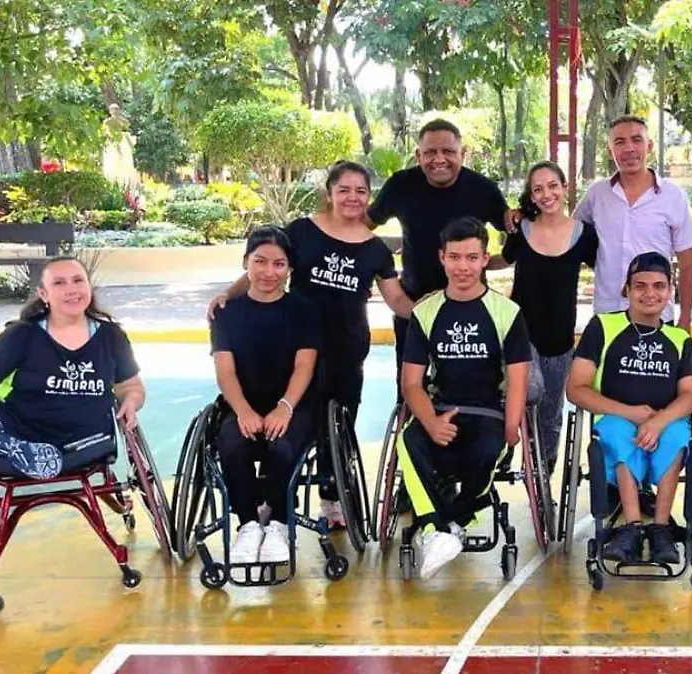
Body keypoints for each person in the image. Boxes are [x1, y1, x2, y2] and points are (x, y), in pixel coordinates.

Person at [208, 162, 413, 528]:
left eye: (361, 191)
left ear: (369, 197)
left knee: (337, 425)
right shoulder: (302, 230)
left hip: (344, 347)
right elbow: (266, 262)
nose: (352, 197)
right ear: (330, 192)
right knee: (284, 419)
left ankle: (331, 499)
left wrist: (436, 311)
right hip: (292, 342)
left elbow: (396, 300)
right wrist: (228, 294)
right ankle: (269, 496)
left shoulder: (375, 250)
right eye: (344, 189)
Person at [0, 257, 145, 482]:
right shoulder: (20, 335)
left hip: (87, 439)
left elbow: (131, 386)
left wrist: (131, 400)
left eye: (78, 280)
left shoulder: (111, 336)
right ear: (43, 294)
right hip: (23, 433)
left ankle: (44, 458)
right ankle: (23, 450)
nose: (71, 289)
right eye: (59, 283)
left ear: (89, 286)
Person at [397, 217, 531, 579]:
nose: (463, 267)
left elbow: (518, 378)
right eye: (455, 257)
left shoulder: (507, 312)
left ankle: (451, 522)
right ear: (442, 258)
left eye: (472, 258)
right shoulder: (425, 313)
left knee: (489, 449)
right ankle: (437, 528)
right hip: (441, 410)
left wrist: (512, 427)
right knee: (408, 441)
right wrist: (431, 422)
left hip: (488, 413)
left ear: (485, 259)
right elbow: (411, 384)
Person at [566, 252, 692, 564]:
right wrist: (631, 413)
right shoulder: (603, 326)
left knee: (677, 434)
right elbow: (576, 389)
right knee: (617, 431)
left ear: (670, 291)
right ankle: (631, 526)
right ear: (626, 289)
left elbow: (689, 396)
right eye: (640, 285)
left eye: (659, 286)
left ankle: (661, 528)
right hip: (616, 416)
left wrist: (657, 421)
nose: (650, 293)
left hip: (663, 421)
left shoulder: (679, 339)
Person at [367, 119, 511, 386]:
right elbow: (362, 228)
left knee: (471, 389)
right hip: (413, 305)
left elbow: (517, 234)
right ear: (418, 155)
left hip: (471, 307)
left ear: (463, 154)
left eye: (448, 151)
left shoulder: (483, 189)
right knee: (411, 389)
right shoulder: (400, 185)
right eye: (430, 152)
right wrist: (374, 267)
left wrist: (489, 263)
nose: (439, 159)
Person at [209, 227, 322, 565]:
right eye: (260, 261)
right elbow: (225, 371)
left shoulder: (304, 310)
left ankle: (277, 524)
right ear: (245, 262)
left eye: (278, 264)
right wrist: (243, 410)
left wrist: (285, 407)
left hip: (293, 403)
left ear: (289, 269)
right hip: (243, 402)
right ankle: (247, 524)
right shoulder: (226, 313)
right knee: (231, 443)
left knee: (282, 445)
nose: (268, 272)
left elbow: (304, 366)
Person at [489, 160, 597, 471]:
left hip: (560, 336)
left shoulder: (584, 235)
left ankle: (542, 470)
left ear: (565, 188)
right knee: (530, 389)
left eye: (552, 186)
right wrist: (471, 265)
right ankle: (508, 439)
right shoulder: (521, 229)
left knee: (550, 412)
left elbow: (606, 270)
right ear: (531, 195)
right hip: (522, 332)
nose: (546, 194)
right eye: (538, 189)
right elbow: (503, 259)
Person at [568, 116, 692, 330]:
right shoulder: (597, 195)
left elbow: (687, 264)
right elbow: (566, 232)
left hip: (657, 315)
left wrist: (686, 318)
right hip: (608, 314)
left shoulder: (673, 196)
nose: (629, 148)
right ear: (610, 150)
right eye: (620, 142)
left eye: (637, 140)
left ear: (649, 146)